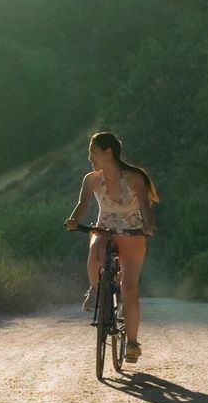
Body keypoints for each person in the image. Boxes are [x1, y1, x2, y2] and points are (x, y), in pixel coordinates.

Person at [64, 131, 157, 363]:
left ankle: (133, 343)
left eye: (93, 152)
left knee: (130, 289)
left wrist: (148, 226)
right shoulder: (92, 179)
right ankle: (96, 289)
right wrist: (74, 220)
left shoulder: (135, 178)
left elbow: (146, 210)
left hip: (131, 231)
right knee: (96, 246)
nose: (90, 158)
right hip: (105, 227)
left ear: (108, 152)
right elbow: (83, 204)